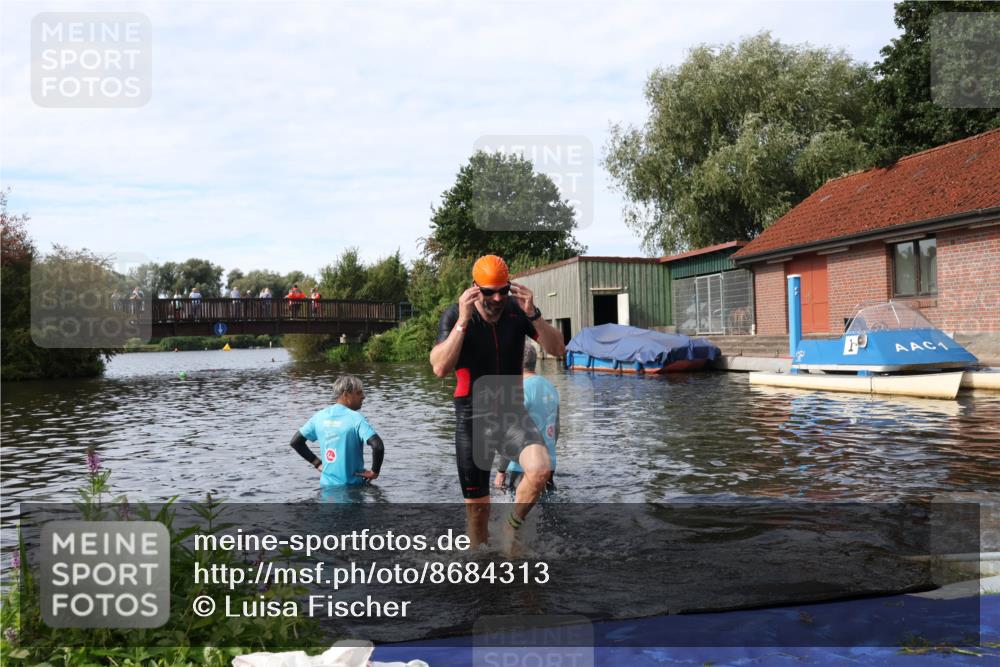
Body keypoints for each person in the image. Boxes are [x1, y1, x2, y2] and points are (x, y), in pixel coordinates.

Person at [429, 254, 566, 547]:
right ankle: (482, 576)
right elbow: (440, 367)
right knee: (478, 512)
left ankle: (511, 528)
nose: (498, 298)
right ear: (475, 288)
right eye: (490, 291)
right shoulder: (456, 314)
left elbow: (558, 350)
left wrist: (534, 314)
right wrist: (464, 322)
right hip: (473, 419)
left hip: (511, 413)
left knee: (540, 470)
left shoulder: (518, 312)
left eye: (503, 290)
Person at [289, 375, 385, 487]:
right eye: (359, 393)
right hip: (352, 489)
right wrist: (374, 472)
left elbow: (295, 442)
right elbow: (378, 446)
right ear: (346, 395)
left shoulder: (319, 416)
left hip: (326, 488)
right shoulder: (356, 418)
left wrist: (317, 463)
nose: (363, 396)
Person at [495, 344, 559, 493]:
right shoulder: (551, 387)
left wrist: (501, 471)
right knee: (548, 512)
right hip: (549, 463)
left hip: (523, 466)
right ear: (534, 361)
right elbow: (557, 428)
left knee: (518, 512)